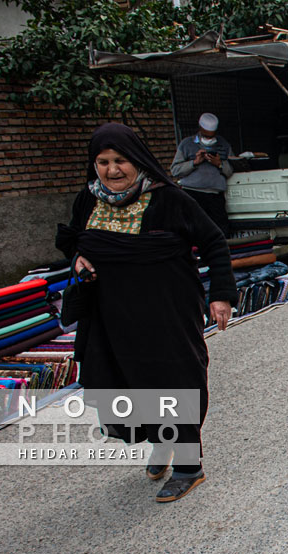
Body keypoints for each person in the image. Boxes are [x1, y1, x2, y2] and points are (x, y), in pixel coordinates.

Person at [55, 123, 235, 502]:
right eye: (102, 161)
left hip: (166, 313)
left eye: (120, 160)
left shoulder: (169, 199)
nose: (112, 170)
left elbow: (214, 241)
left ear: (136, 160)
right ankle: (162, 443)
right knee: (125, 381)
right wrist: (78, 260)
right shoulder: (87, 200)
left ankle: (189, 465)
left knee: (174, 380)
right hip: (110, 316)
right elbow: (73, 239)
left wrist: (221, 296)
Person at [171, 113, 234, 238]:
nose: (209, 139)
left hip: (215, 195)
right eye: (205, 136)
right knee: (193, 228)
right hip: (192, 193)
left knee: (220, 228)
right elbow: (175, 170)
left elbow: (231, 170)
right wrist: (194, 162)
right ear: (199, 129)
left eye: (212, 136)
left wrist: (219, 164)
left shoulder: (224, 145)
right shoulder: (186, 144)